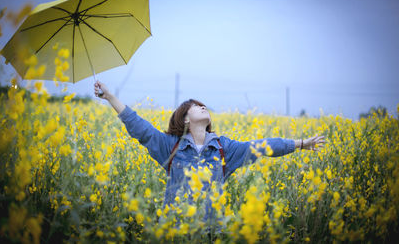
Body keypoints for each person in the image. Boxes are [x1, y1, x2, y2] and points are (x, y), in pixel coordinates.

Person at [94, 81, 325, 225]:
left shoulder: (225, 149)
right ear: (185, 118)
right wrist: (109, 96)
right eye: (196, 106)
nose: (203, 107)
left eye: (203, 105)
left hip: (211, 233)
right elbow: (139, 127)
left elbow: (263, 145)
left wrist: (300, 143)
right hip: (176, 231)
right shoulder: (171, 147)